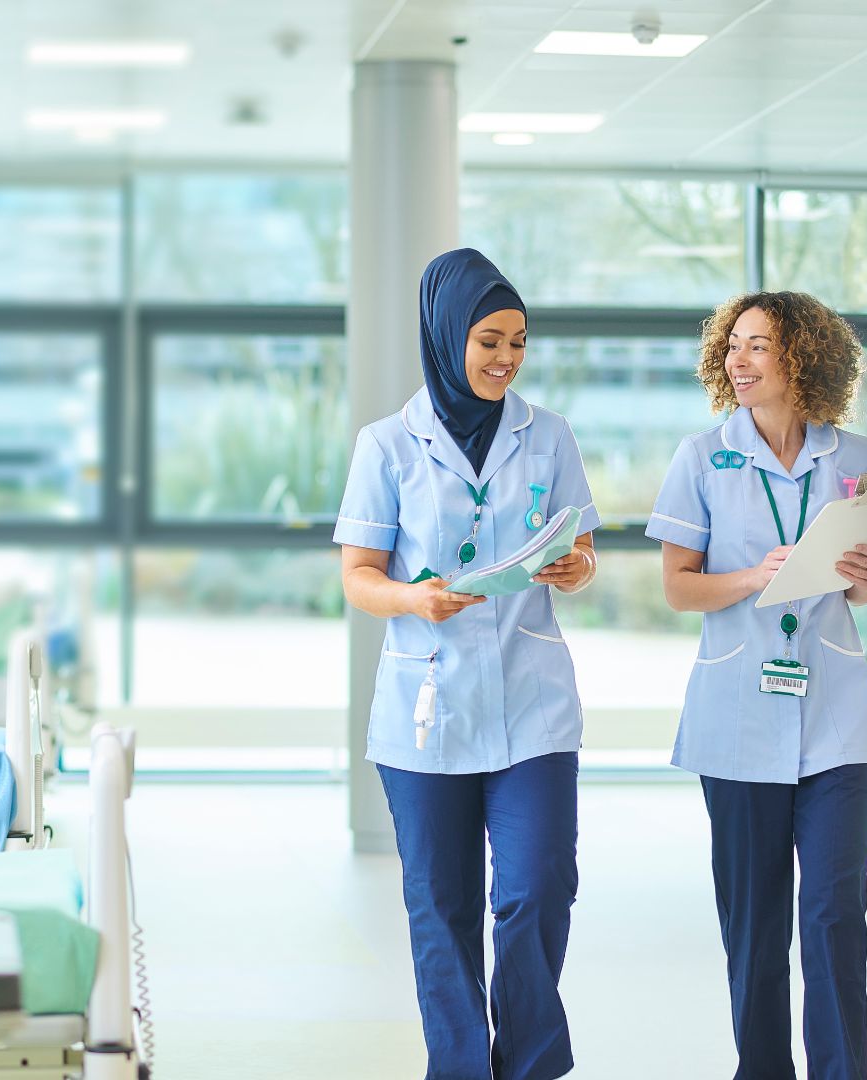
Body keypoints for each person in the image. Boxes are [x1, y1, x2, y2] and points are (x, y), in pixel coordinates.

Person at [334, 248, 600, 1080]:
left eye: (518, 342)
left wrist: (573, 566)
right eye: (489, 340)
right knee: (441, 908)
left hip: (534, 701)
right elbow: (358, 578)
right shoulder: (388, 445)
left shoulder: (548, 434)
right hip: (429, 704)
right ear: (448, 337)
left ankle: (527, 1065)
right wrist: (415, 599)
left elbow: (584, 551)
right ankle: (459, 1068)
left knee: (538, 889)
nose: (506, 359)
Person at [646, 291, 867, 1080]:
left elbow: (860, 590)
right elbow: (680, 588)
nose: (737, 361)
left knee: (832, 916)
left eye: (758, 346)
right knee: (754, 929)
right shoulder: (700, 457)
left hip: (837, 720)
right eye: (733, 345)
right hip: (739, 717)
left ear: (803, 358)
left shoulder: (855, 459)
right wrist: (754, 577)